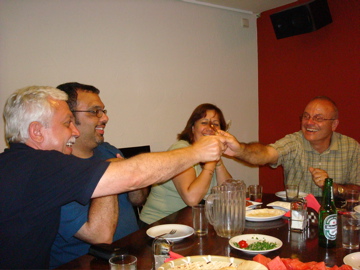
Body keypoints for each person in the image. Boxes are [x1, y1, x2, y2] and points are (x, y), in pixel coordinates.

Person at [0, 86, 229, 269]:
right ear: (36, 132)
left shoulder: (22, 164)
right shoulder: (39, 165)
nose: (75, 132)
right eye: (66, 123)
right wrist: (198, 152)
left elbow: (135, 191)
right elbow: (133, 177)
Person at [49, 82, 149, 268]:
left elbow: (138, 200)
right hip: (87, 264)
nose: (105, 118)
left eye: (103, 111)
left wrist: (133, 180)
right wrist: (111, 172)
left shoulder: (108, 150)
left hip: (131, 255)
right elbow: (99, 237)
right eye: (95, 111)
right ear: (69, 118)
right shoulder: (57, 171)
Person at [219, 96, 360, 197]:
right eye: (306, 116)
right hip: (297, 217)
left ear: (334, 124)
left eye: (318, 118)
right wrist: (240, 150)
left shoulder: (351, 147)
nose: (309, 122)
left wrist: (331, 187)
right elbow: (266, 154)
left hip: (337, 218)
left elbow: (357, 189)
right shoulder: (294, 142)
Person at [140, 103, 232, 224]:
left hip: (188, 224)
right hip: (158, 226)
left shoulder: (210, 154)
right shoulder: (180, 151)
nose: (210, 128)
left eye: (215, 124)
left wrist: (218, 161)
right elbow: (192, 199)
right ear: (193, 128)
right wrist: (211, 162)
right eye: (204, 122)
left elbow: (229, 193)